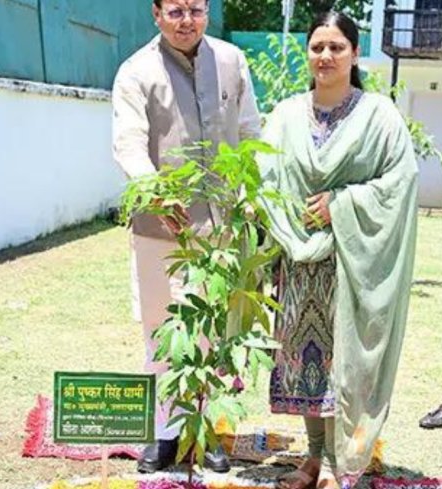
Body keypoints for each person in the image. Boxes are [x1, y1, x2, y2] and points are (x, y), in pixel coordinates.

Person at [257, 11, 419, 489]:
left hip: (352, 263)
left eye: (336, 47)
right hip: (296, 261)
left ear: (353, 53)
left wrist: (342, 204)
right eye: (316, 47)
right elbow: (264, 174)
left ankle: (335, 465)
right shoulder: (285, 114)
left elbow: (400, 179)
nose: (324, 56)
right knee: (304, 364)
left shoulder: (379, 116)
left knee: (344, 365)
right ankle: (310, 458)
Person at [111, 0, 262, 474]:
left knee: (213, 331)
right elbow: (128, 142)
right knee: (162, 331)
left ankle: (206, 426)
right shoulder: (135, 71)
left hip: (223, 224)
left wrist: (252, 195)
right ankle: (166, 433)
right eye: (175, 11)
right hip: (162, 227)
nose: (186, 21)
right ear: (155, 14)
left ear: (208, 12)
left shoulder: (232, 61)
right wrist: (155, 191)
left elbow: (249, 128)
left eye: (195, 9)